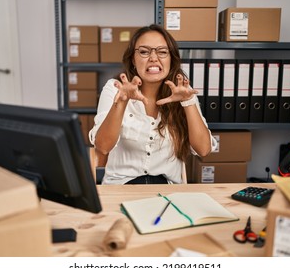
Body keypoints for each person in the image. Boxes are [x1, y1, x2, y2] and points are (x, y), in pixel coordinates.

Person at [89, 24, 217, 185]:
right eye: (144, 51)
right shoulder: (115, 88)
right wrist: (122, 102)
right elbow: (103, 147)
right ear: (133, 60)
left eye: (162, 52)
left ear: (171, 59)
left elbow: (203, 149)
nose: (154, 58)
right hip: (120, 188)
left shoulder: (183, 91)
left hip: (167, 191)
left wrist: (187, 102)